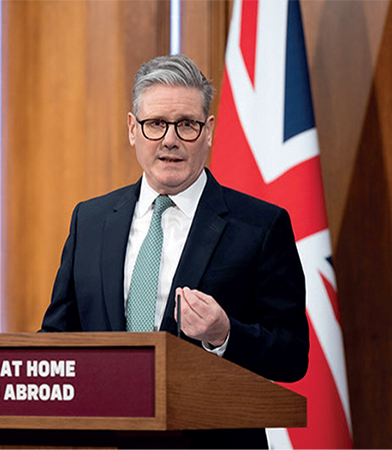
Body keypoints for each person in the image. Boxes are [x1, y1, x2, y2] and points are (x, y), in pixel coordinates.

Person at [40, 54, 308, 448]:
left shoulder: (260, 226)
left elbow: (292, 355)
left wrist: (224, 334)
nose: (170, 139)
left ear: (209, 130)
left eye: (187, 125)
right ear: (133, 129)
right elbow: (57, 340)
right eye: (156, 124)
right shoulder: (90, 221)